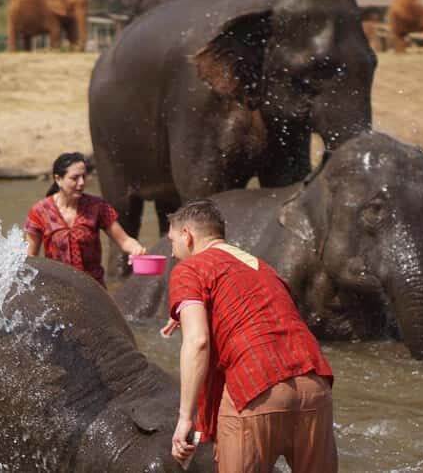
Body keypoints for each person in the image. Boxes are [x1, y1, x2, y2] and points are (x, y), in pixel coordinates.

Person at [163, 200, 337, 473]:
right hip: (314, 383)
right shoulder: (262, 267)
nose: (173, 254)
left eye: (172, 242)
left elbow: (198, 342)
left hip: (256, 385)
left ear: (187, 235)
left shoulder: (190, 268)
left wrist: (186, 418)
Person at [25, 152, 146, 286]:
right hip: (57, 288)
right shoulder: (40, 211)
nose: (81, 183)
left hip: (93, 289)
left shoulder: (98, 207)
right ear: (58, 179)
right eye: (75, 178)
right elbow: (30, 258)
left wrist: (136, 249)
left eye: (83, 176)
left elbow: (125, 241)